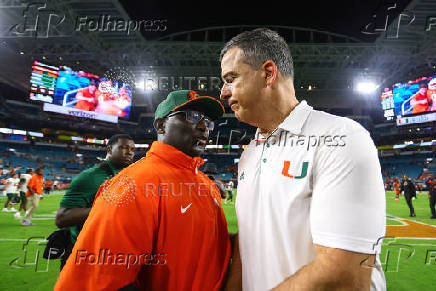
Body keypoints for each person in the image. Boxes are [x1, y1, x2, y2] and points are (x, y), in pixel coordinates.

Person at [220, 28, 386, 291]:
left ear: (268, 73)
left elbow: (345, 275)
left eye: (231, 78)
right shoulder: (250, 153)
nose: (223, 92)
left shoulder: (341, 138)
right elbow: (246, 250)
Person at [55, 90, 230, 291]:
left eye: (208, 121)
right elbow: (102, 281)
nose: (203, 127)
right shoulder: (133, 184)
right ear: (161, 125)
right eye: (192, 116)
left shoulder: (205, 183)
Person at [55, 134, 135, 270]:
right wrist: (105, 209)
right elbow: (62, 218)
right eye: (124, 147)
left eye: (132, 149)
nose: (129, 152)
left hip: (116, 255)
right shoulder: (90, 177)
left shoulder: (129, 175)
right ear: (109, 149)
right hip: (85, 256)